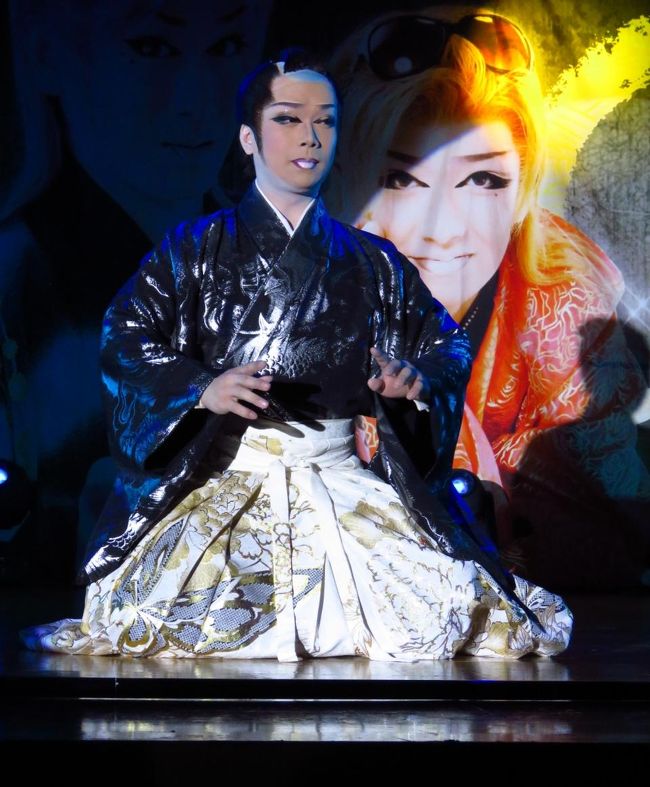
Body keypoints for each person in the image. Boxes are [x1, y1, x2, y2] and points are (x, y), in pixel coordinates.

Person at [20, 50, 572, 661]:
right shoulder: (193, 248)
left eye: (326, 120)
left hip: (339, 477)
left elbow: (445, 342)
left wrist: (413, 380)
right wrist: (200, 388)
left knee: (455, 614)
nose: (310, 136)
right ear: (248, 138)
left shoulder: (374, 261)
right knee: (151, 621)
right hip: (224, 478)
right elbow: (127, 335)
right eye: (288, 119)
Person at [327, 8, 650, 588]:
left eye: (482, 181)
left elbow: (620, 524)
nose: (442, 227)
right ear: (343, 180)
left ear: (523, 188)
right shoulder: (295, 294)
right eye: (401, 180)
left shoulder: (560, 299)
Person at [0, 0, 269, 581]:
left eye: (226, 47)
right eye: (152, 48)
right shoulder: (14, 274)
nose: (196, 98)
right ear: (47, 52)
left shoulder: (273, 260)